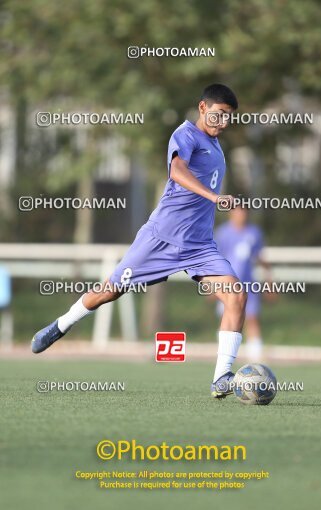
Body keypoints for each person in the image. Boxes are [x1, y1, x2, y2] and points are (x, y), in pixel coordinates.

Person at [31, 83, 247, 398]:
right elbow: (176, 171)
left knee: (236, 296)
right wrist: (214, 197)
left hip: (199, 247)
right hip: (160, 239)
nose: (224, 122)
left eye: (229, 117)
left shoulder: (216, 147)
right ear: (203, 108)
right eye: (219, 115)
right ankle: (61, 325)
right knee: (108, 292)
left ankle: (221, 378)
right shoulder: (185, 135)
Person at [215, 206, 271, 361]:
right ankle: (224, 356)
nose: (241, 214)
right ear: (231, 213)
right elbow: (217, 258)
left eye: (244, 211)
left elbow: (260, 257)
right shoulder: (223, 233)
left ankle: (256, 358)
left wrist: (269, 281)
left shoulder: (254, 233)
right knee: (228, 319)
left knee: (252, 318)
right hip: (227, 284)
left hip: (248, 285)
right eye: (238, 211)